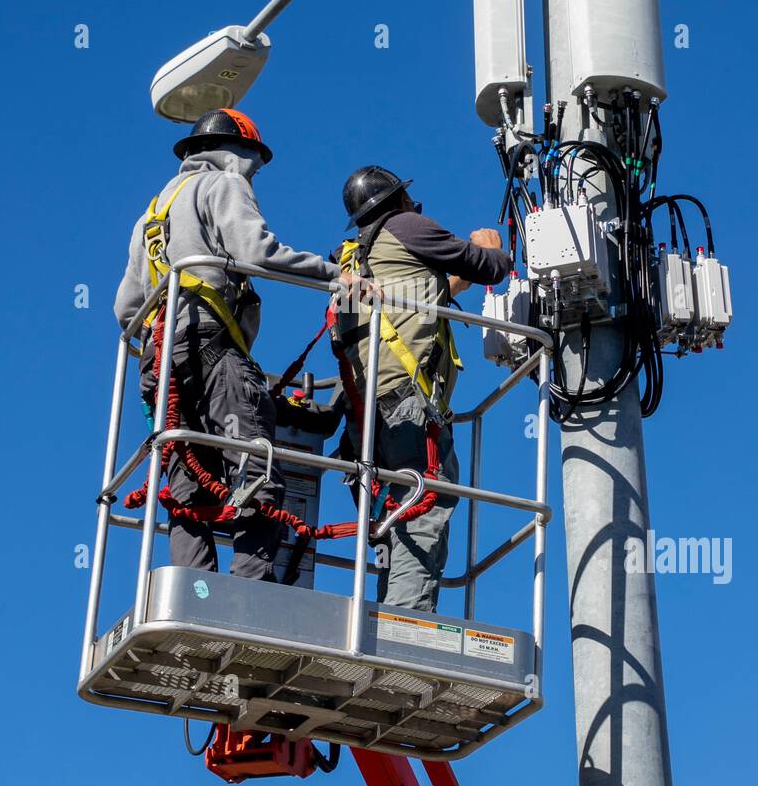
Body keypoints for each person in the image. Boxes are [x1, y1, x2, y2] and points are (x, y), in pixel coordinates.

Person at [114, 108, 340, 580]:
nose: (254, 177)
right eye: (254, 166)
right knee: (257, 466)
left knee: (188, 485)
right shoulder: (224, 184)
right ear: (237, 156)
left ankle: (195, 593)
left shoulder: (151, 213)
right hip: (211, 346)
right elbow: (257, 252)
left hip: (160, 360)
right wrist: (338, 277)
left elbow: (125, 310)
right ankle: (248, 593)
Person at [336, 166, 511, 612]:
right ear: (398, 200)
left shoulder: (354, 256)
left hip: (365, 413)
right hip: (407, 409)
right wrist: (492, 247)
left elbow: (408, 299)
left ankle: (385, 619)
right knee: (425, 509)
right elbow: (489, 268)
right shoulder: (406, 225)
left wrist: (455, 282)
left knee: (397, 516)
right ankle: (405, 626)